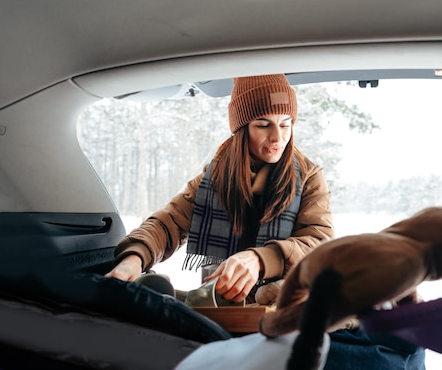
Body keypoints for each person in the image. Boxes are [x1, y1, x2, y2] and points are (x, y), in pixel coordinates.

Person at [105, 74, 334, 304]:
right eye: (263, 125)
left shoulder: (309, 177)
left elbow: (319, 244)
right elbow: (170, 222)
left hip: (279, 305)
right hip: (221, 302)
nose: (278, 137)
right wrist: (134, 257)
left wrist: (261, 260)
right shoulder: (215, 176)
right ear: (242, 129)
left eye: (285, 124)